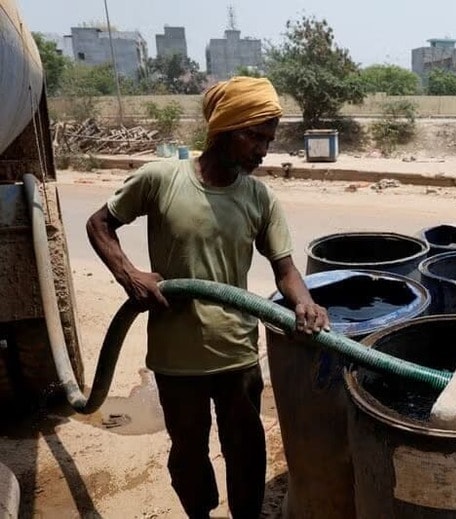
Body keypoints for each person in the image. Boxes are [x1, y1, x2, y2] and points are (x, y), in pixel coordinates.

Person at [86, 76, 330, 519]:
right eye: (255, 136)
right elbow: (99, 224)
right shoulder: (161, 179)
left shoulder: (259, 197)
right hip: (176, 358)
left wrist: (304, 302)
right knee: (188, 453)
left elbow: (286, 267)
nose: (263, 150)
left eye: (269, 139)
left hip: (236, 352)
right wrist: (130, 275)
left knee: (246, 451)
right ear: (225, 128)